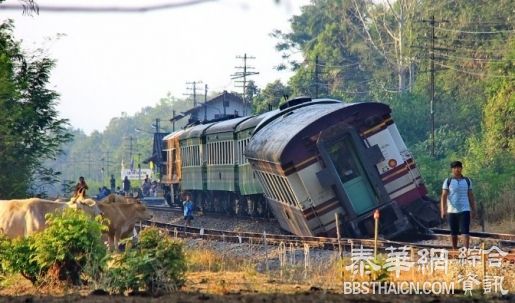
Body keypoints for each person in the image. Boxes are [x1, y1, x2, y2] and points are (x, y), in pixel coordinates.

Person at [440, 161, 477, 249]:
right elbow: (444, 196)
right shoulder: (448, 181)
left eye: (459, 167)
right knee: (454, 233)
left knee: (465, 231)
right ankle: (454, 250)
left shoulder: (467, 181)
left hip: (465, 209)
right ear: (452, 169)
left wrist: (474, 209)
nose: (457, 169)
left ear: (461, 168)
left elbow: (470, 195)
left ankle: (466, 251)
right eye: (455, 168)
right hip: (451, 210)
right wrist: (443, 210)